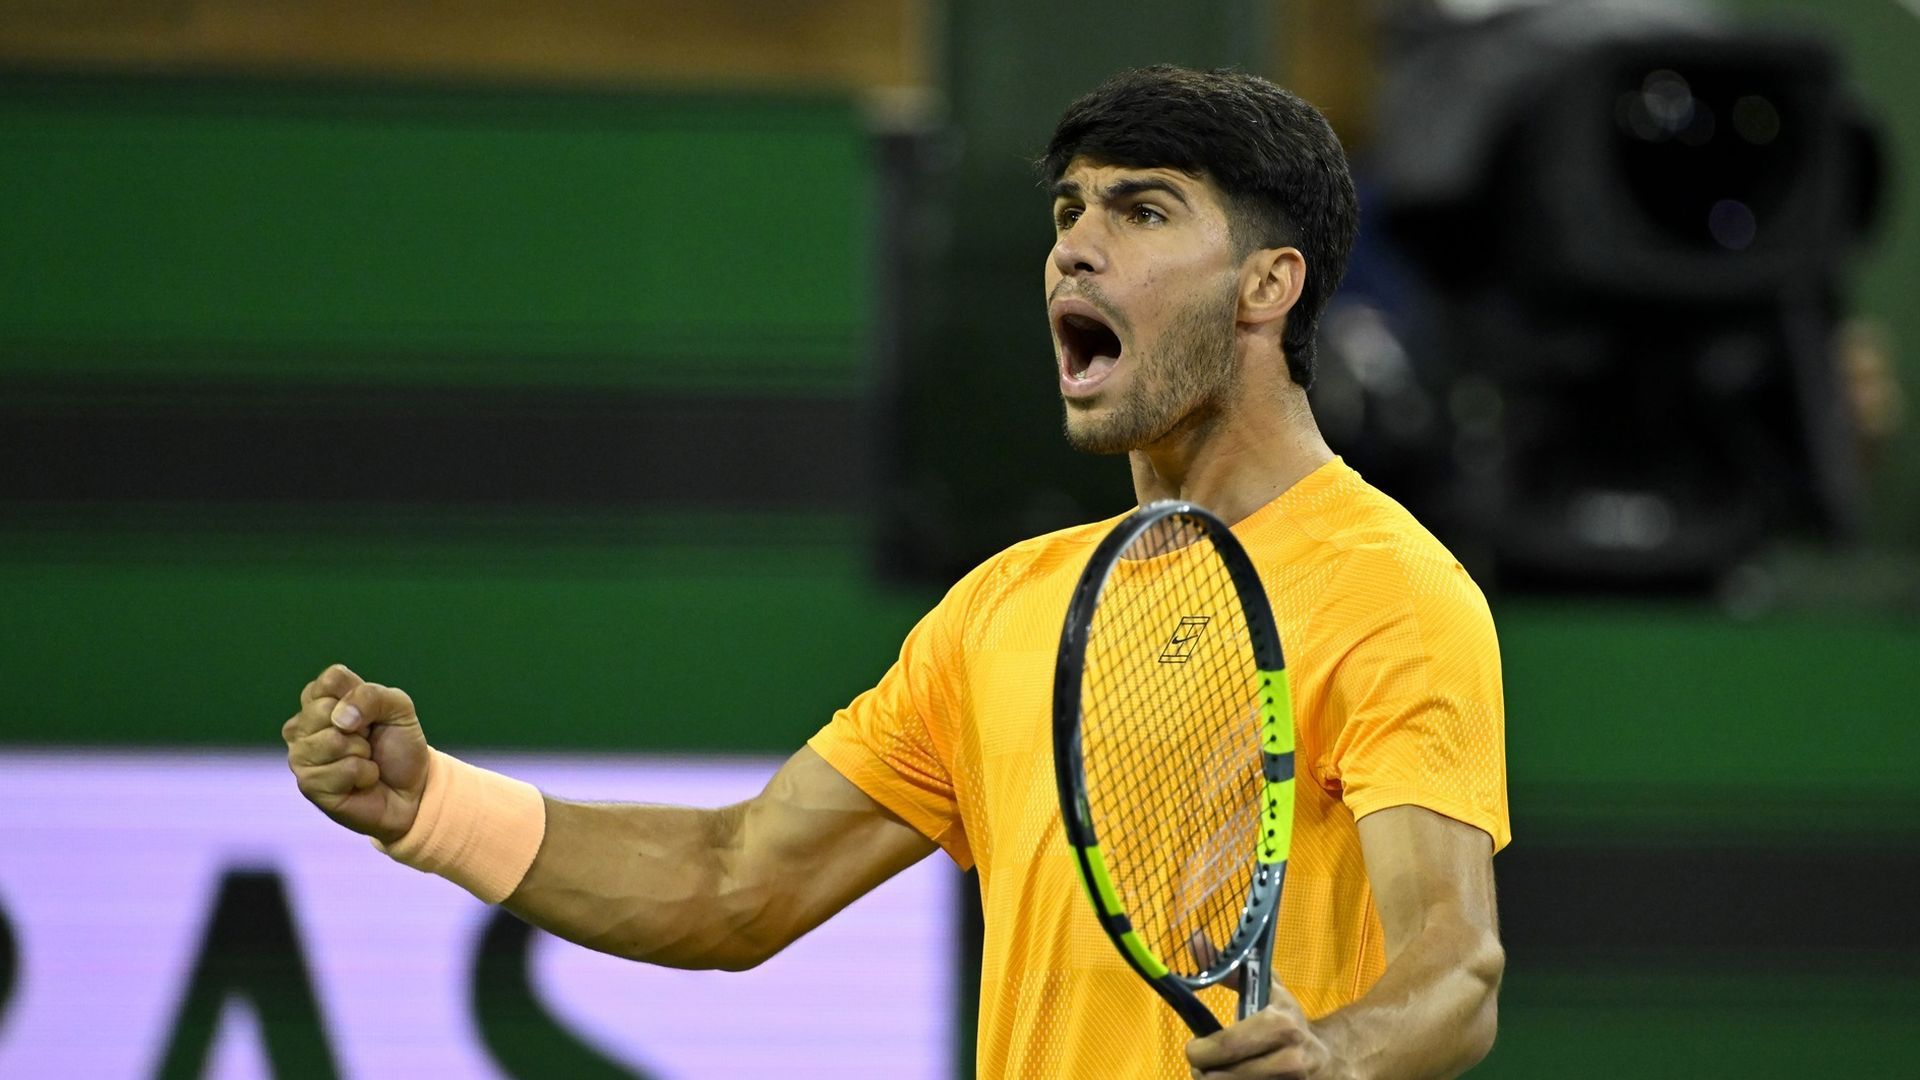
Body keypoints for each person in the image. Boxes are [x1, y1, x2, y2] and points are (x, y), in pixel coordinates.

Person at [283, 66, 1507, 1079]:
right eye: (1068, 213)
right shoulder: (1005, 611)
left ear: (1267, 284)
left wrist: (1338, 1056)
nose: (1074, 252)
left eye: (1141, 212)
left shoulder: (1390, 589)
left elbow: (1454, 967)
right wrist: (431, 808)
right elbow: (733, 881)